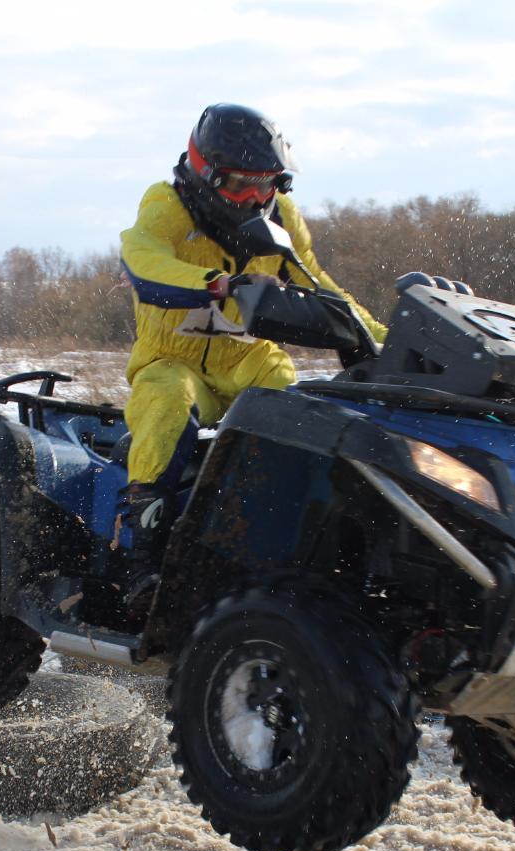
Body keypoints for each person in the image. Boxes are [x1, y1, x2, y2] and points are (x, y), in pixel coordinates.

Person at [117, 103, 387, 604]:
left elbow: (317, 282)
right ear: (205, 170)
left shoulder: (281, 216)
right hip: (172, 359)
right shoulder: (167, 204)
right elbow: (143, 260)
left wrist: (380, 338)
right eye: (241, 184)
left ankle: (294, 542)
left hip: (247, 359)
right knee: (168, 400)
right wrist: (218, 285)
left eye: (267, 184)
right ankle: (142, 559)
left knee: (304, 412)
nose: (254, 197)